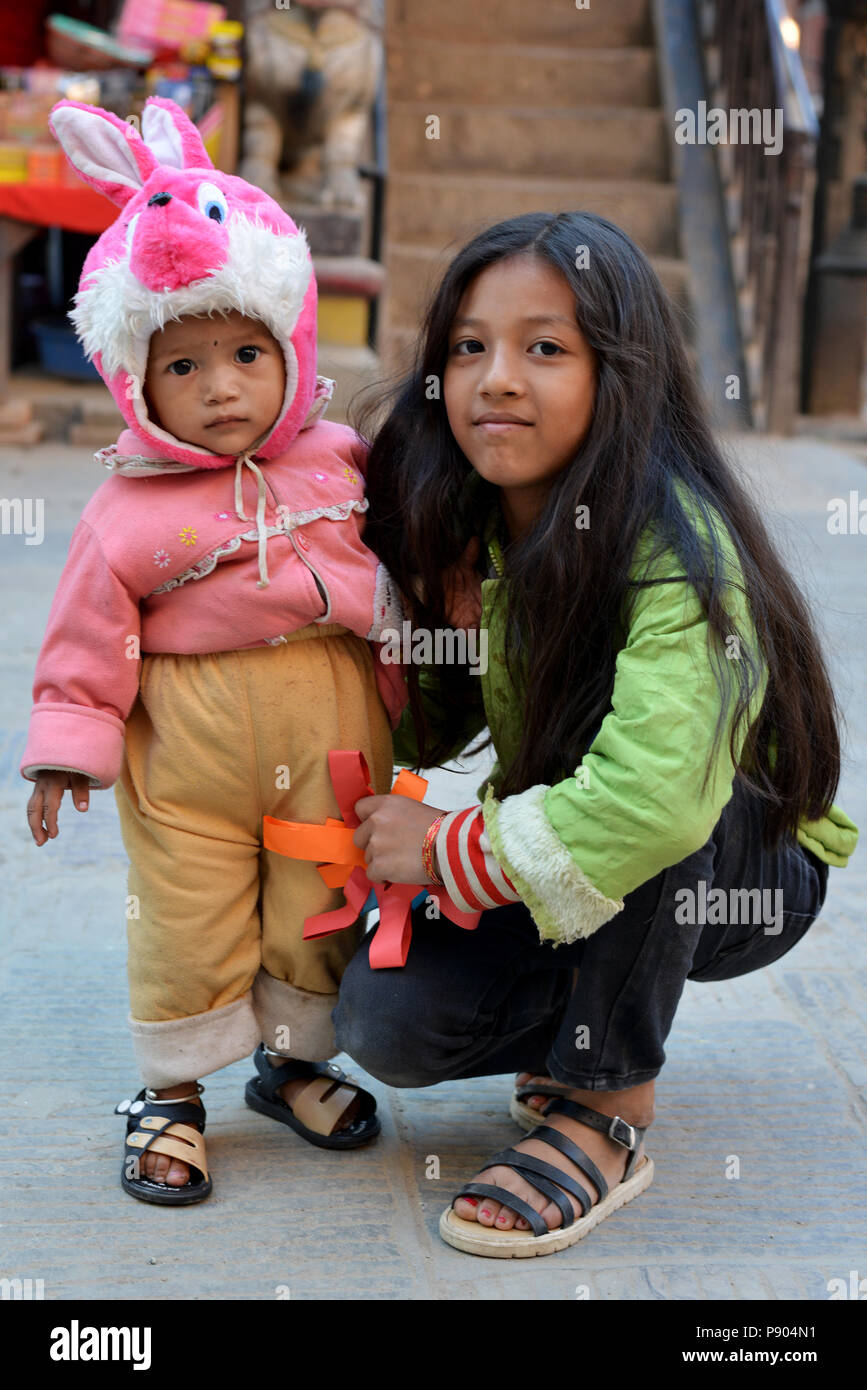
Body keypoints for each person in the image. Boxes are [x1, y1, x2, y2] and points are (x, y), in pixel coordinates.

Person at [334, 211, 859, 1258]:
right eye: (469, 347)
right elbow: (433, 734)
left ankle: (607, 1103)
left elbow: (658, 799)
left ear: (622, 374)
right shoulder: (477, 529)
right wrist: (433, 624)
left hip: (742, 855)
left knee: (655, 811)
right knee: (389, 1023)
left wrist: (449, 849)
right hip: (588, 841)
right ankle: (594, 1009)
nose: (498, 379)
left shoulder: (677, 548)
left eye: (546, 348)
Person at [21, 96, 406, 1204]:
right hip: (185, 766)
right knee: (186, 919)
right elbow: (88, 630)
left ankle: (292, 1062)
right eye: (182, 366)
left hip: (330, 755)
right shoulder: (126, 511)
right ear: (134, 381)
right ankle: (174, 1091)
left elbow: (414, 570)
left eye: (247, 351)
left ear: (291, 342)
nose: (223, 385)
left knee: (315, 904)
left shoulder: (343, 464)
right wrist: (64, 746)